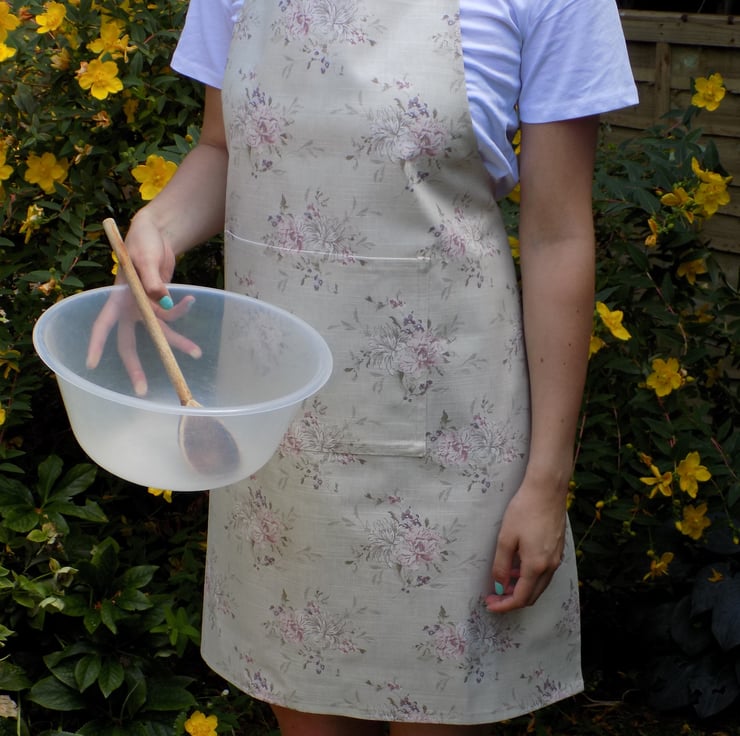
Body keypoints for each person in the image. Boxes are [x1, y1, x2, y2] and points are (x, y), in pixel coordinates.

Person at [87, 0, 638, 733]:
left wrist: (547, 480)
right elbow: (223, 149)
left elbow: (557, 236)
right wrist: (157, 225)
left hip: (454, 455)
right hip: (283, 449)